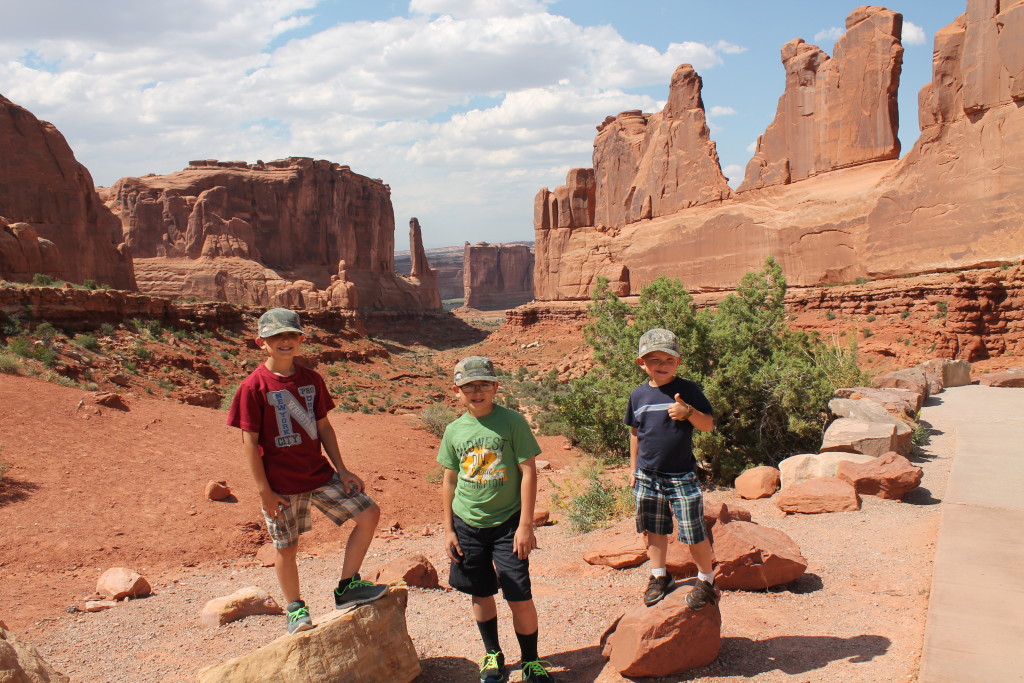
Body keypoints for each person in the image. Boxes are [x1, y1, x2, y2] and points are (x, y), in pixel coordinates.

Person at [227, 307, 385, 635]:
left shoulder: (312, 380)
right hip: (280, 486)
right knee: (286, 548)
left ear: (301, 339)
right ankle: (296, 608)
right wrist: (264, 492)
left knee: (368, 514)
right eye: (276, 337)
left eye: (290, 335)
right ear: (261, 342)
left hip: (319, 475)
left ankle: (347, 588)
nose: (284, 341)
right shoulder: (253, 387)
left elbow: (324, 427)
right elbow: (249, 443)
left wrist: (341, 469)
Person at [438, 356, 555, 683]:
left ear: (495, 387)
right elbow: (448, 480)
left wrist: (525, 525)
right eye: (469, 386)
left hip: (507, 524)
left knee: (519, 593)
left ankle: (531, 661)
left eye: (483, 384)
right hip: (467, 524)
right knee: (480, 591)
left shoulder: (512, 422)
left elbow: (528, 471)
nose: (477, 391)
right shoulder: (454, 430)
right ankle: (493, 654)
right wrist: (448, 529)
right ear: (457, 390)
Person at [625, 328, 719, 609]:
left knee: (692, 530)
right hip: (647, 475)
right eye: (654, 360)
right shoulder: (638, 396)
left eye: (668, 360)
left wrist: (688, 412)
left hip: (681, 475)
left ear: (678, 363)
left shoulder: (687, 390)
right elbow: (634, 433)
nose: (662, 366)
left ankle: (707, 579)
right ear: (642, 363)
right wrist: (632, 469)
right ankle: (659, 576)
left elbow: (708, 425)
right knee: (654, 528)